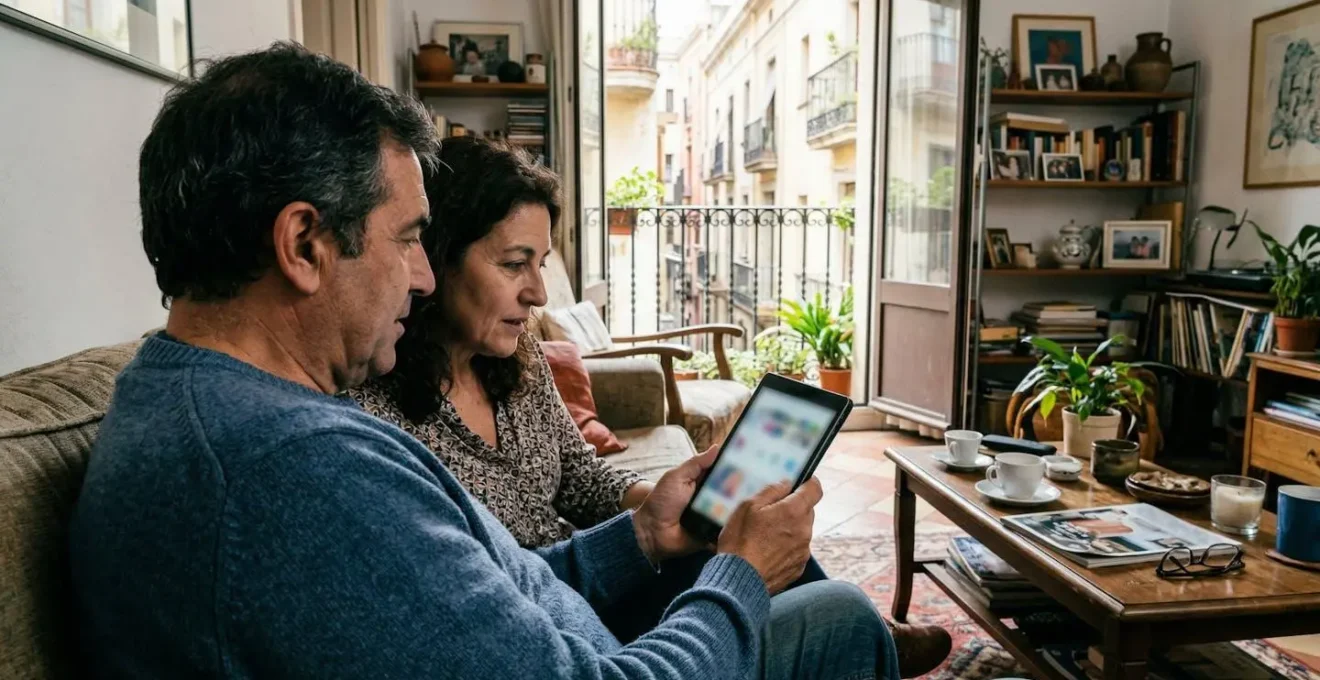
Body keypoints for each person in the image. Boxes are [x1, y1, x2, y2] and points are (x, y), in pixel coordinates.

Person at [67, 43, 899, 679]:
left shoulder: (202, 397)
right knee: (843, 619)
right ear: (304, 244)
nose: (422, 276)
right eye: (406, 240)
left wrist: (643, 533)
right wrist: (742, 573)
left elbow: (467, 600)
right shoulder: (292, 467)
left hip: (572, 631)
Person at [347, 137, 950, 674]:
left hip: (588, 580)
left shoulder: (518, 358)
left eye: (540, 264)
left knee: (733, 522)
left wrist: (667, 505)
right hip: (558, 627)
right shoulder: (377, 418)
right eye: (513, 264)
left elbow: (581, 478)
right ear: (437, 258)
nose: (535, 292)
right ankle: (865, 640)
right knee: (833, 609)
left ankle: (865, 642)